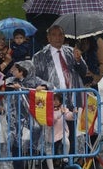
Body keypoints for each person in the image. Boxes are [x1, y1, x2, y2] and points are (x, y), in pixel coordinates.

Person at [32, 25, 87, 154]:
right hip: (53, 101)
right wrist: (47, 87)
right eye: (54, 35)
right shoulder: (39, 56)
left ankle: (72, 160)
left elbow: (84, 72)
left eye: (60, 35)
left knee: (72, 133)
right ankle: (53, 162)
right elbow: (35, 78)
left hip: (72, 100)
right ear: (48, 37)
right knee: (53, 136)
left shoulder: (71, 52)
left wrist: (79, 60)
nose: (58, 38)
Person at [5, 60, 53, 169]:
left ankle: (40, 166)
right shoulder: (13, 80)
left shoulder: (35, 80)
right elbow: (6, 84)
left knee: (37, 143)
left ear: (22, 71)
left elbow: (50, 85)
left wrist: (43, 87)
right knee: (17, 144)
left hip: (33, 118)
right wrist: (14, 87)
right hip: (17, 119)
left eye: (15, 69)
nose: (13, 71)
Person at [45, 93, 76, 169]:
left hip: (62, 131)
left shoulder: (63, 108)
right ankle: (51, 168)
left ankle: (65, 159)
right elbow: (52, 120)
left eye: (56, 100)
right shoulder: (48, 109)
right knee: (48, 151)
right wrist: (60, 114)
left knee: (66, 142)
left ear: (60, 101)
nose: (54, 101)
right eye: (53, 99)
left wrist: (74, 114)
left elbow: (68, 116)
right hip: (50, 133)